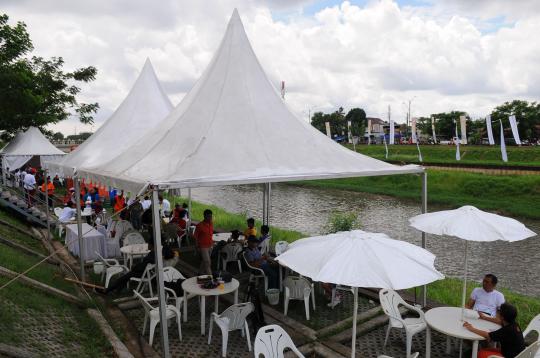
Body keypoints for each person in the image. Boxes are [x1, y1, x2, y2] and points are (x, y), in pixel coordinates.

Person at [194, 209, 214, 275]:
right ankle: (211, 278)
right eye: (208, 216)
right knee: (208, 262)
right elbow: (195, 236)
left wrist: (212, 244)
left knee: (204, 261)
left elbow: (210, 235)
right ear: (204, 216)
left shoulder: (211, 224)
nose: (210, 218)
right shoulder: (199, 225)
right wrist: (197, 247)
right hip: (203, 247)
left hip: (210, 246)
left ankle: (199, 273)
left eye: (211, 216)